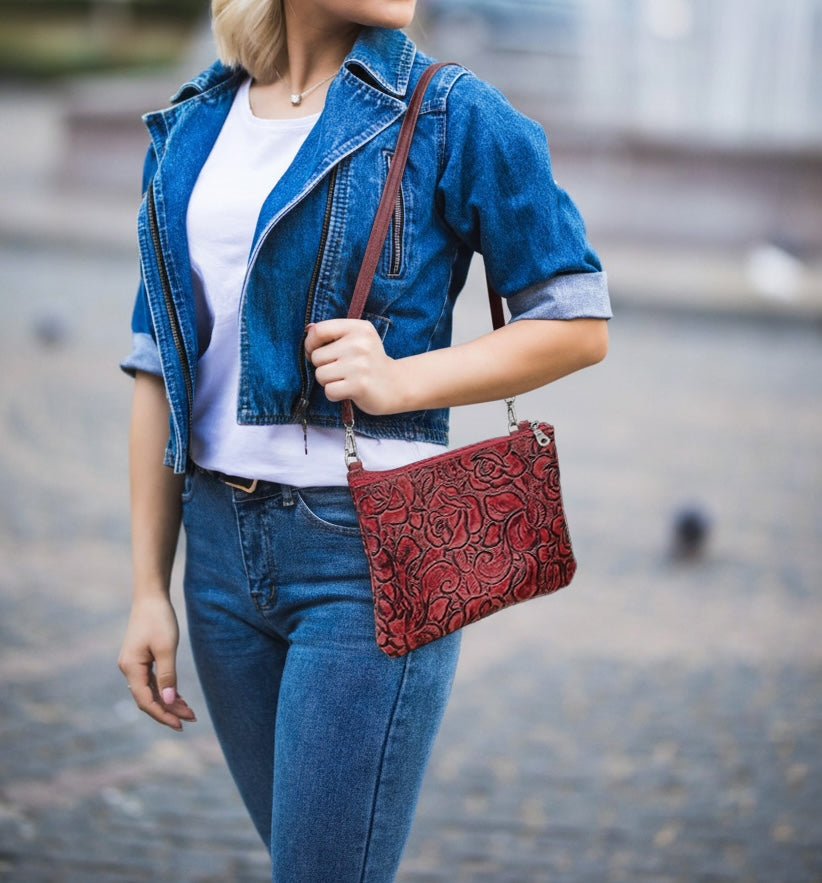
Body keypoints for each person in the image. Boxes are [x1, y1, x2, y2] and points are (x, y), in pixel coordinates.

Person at [117, 0, 611, 879]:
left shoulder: (454, 112)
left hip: (370, 559)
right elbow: (159, 362)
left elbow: (576, 322)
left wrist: (402, 380)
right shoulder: (194, 122)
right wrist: (148, 586)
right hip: (220, 563)